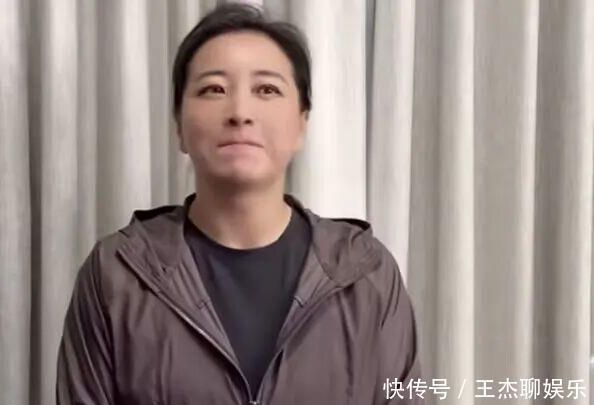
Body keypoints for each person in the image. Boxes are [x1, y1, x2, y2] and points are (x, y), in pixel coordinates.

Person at [56, 3, 422, 404]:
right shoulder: (116, 275)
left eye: (267, 90)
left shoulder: (366, 274)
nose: (240, 112)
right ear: (178, 125)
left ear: (302, 123)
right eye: (213, 89)